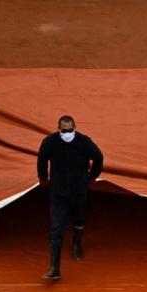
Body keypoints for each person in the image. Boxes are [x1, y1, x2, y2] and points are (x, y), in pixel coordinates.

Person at [37, 115, 103, 281]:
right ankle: (55, 268)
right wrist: (43, 178)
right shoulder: (49, 142)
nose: (67, 133)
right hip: (58, 192)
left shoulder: (84, 142)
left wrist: (92, 177)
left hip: (78, 191)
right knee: (56, 228)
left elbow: (98, 157)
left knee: (79, 221)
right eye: (64, 130)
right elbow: (42, 160)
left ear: (75, 127)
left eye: (70, 130)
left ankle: (76, 242)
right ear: (58, 128)